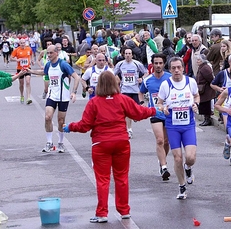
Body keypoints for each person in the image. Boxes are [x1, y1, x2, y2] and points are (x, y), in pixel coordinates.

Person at [63, 71, 162, 223]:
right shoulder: (122, 99)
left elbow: (85, 125)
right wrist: (154, 111)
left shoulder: (94, 102)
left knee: (102, 180)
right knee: (121, 177)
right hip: (121, 142)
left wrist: (70, 127)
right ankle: (124, 210)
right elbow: (138, 113)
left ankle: (102, 213)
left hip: (101, 144)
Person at [157, 57, 200, 199]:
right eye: (173, 68)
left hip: (188, 125)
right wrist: (163, 109)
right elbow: (160, 103)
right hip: (173, 126)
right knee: (177, 158)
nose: (176, 70)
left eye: (179, 67)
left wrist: (196, 105)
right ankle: (182, 187)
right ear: (170, 70)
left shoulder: (190, 82)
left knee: (190, 157)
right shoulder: (165, 84)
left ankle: (188, 168)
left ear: (183, 68)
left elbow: (196, 96)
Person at [28, 45, 80, 153]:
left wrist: (74, 92)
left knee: (61, 121)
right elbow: (44, 72)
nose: (49, 55)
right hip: (52, 95)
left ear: (56, 53)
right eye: (48, 53)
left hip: (63, 97)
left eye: (51, 53)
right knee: (47, 117)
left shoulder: (63, 64)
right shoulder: (48, 65)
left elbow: (76, 77)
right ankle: (49, 142)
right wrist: (30, 71)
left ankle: (60, 143)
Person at [139, 53, 172, 181]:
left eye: (160, 63)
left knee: (166, 142)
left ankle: (162, 159)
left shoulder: (170, 78)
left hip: (168, 114)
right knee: (159, 140)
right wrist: (142, 104)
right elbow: (141, 92)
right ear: (152, 64)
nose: (158, 66)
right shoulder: (148, 80)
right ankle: (164, 167)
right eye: (156, 63)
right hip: (155, 113)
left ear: (164, 64)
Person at [113, 48, 148, 139]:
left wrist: (142, 79)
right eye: (126, 53)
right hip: (125, 90)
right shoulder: (120, 64)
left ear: (132, 55)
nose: (128, 55)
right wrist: (117, 80)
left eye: (129, 53)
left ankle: (134, 117)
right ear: (124, 55)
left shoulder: (137, 63)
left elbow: (146, 72)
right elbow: (113, 74)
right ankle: (129, 129)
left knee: (136, 111)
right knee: (126, 111)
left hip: (135, 90)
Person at [10, 38, 34, 105]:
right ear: (19, 44)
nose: (23, 44)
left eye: (24, 43)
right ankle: (22, 95)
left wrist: (31, 60)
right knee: (21, 84)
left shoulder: (28, 48)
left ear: (25, 43)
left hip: (27, 68)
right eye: (21, 43)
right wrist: (17, 60)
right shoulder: (16, 50)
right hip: (20, 69)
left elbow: (31, 54)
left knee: (28, 81)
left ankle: (28, 97)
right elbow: (11, 58)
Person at [196, 54, 215, 126]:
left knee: (206, 105)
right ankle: (206, 119)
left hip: (206, 89)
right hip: (203, 89)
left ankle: (208, 119)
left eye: (199, 60)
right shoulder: (202, 67)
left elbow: (210, 78)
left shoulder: (205, 68)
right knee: (204, 105)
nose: (197, 61)